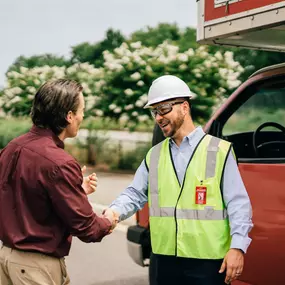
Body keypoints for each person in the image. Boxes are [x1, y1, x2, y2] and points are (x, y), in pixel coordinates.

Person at [105, 75, 253, 285]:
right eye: (154, 111)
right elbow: (135, 193)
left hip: (208, 263)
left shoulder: (219, 151)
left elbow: (238, 204)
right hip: (163, 261)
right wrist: (114, 212)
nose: (158, 117)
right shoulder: (154, 155)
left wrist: (237, 247)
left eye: (164, 109)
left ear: (184, 107)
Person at [0, 79, 117, 285]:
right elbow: (86, 227)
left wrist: (74, 191)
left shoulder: (12, 147)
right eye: (82, 110)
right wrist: (108, 221)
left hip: (6, 260)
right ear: (69, 116)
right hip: (35, 268)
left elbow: (25, 196)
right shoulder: (59, 162)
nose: (83, 116)